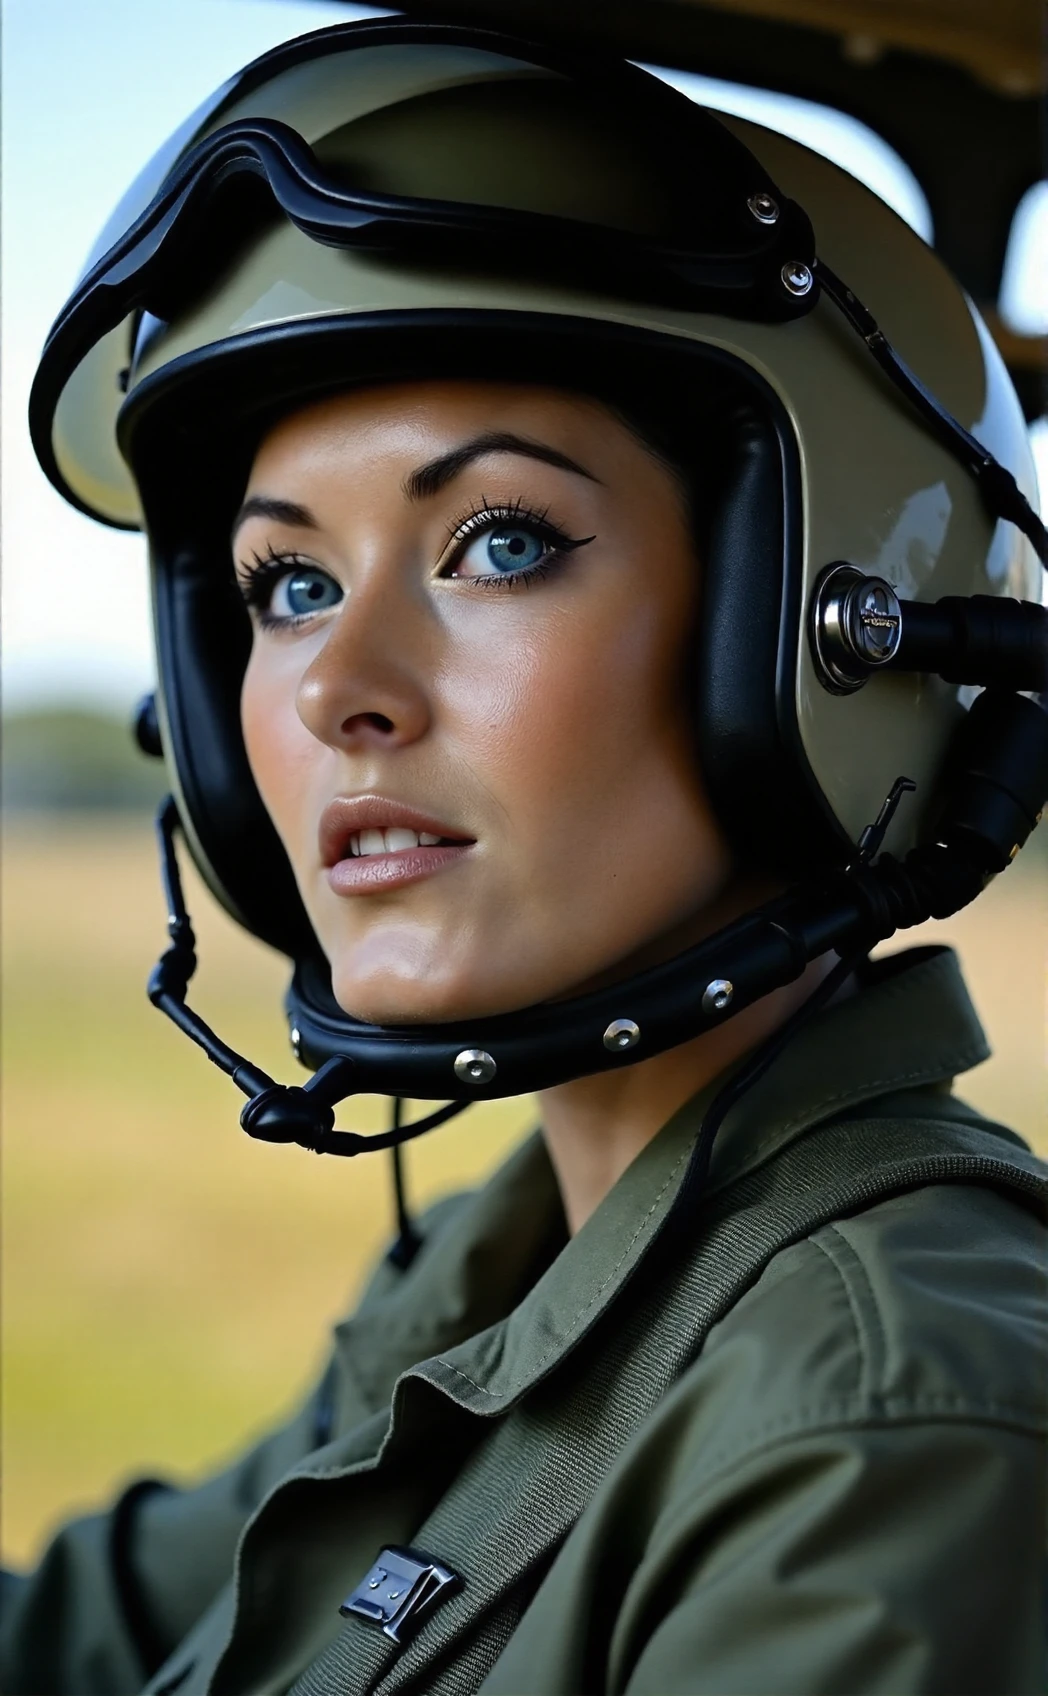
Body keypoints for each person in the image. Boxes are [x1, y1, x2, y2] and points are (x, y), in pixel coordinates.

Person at [3, 17, 1047, 1695]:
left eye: (497, 543)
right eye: (288, 585)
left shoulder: (875, 1421)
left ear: (832, 634)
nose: (339, 688)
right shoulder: (513, 1266)